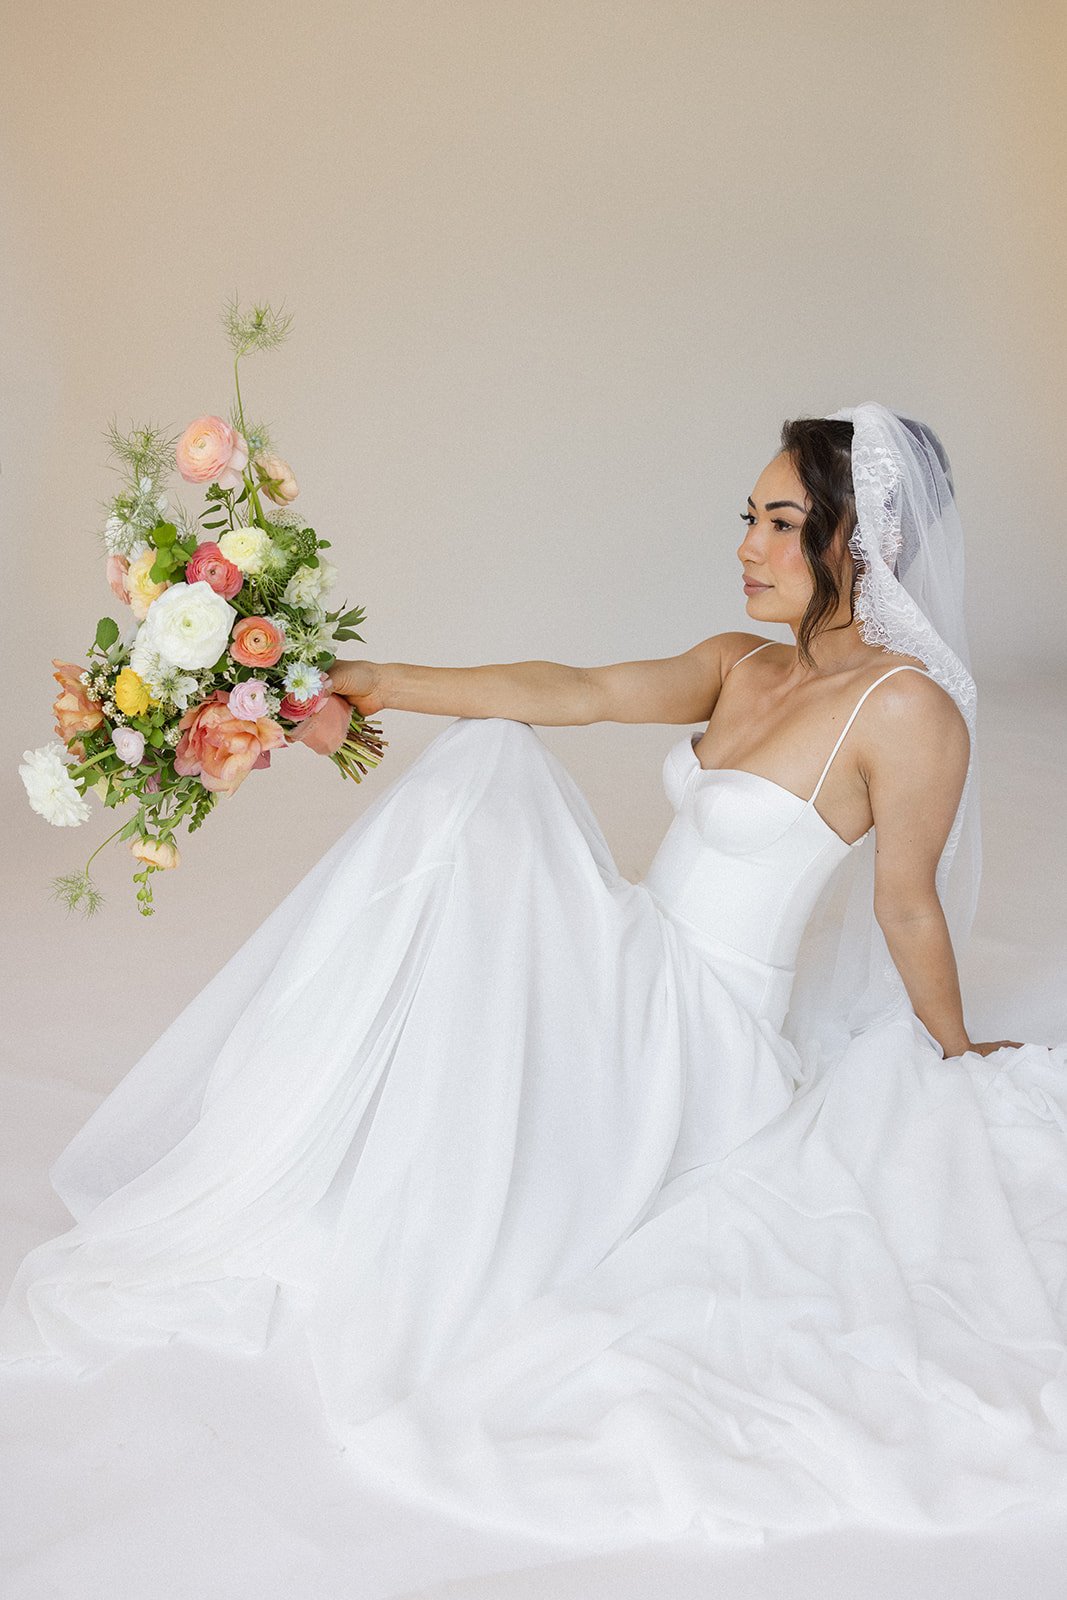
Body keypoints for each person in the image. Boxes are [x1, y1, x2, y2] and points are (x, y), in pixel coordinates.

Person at [1, 403, 1064, 1557]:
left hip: (704, 1039)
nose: (746, 546)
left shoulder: (905, 712)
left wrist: (953, 1049)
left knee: (492, 787)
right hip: (635, 964)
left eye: (778, 521)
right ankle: (301, 1107)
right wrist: (377, 679)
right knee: (492, 757)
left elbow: (902, 898)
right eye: (745, 518)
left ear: (858, 546)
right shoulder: (739, 663)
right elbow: (574, 689)